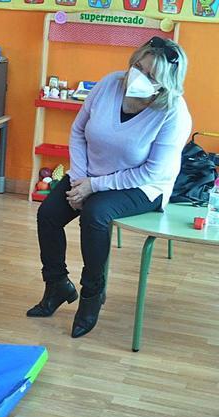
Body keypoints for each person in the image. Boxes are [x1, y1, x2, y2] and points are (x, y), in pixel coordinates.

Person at [28, 37, 192, 338]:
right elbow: (78, 131)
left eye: (150, 75)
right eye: (137, 67)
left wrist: (94, 186)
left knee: (95, 214)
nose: (137, 76)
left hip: (143, 185)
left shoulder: (174, 113)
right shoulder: (109, 84)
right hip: (89, 173)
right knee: (48, 213)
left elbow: (153, 170)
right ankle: (56, 285)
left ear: (165, 84)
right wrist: (79, 177)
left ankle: (92, 295)